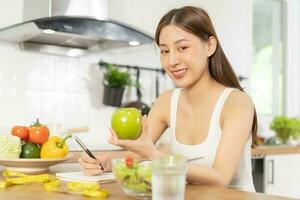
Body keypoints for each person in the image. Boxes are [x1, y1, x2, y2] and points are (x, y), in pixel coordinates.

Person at [79, 6, 257, 192]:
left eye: (182, 48)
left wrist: (154, 155)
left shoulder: (237, 103)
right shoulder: (166, 102)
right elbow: (140, 152)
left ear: (209, 46)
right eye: (164, 51)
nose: (172, 61)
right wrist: (108, 162)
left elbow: (220, 178)